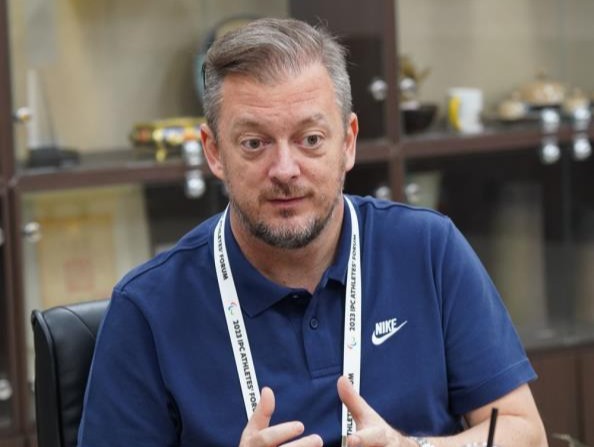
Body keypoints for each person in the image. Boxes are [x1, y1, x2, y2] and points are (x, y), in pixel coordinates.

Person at [77, 17, 548, 447]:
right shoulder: (147, 309)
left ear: (348, 142)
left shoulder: (428, 249)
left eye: (310, 139)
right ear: (214, 151)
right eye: (254, 143)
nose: (285, 169)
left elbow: (523, 433)